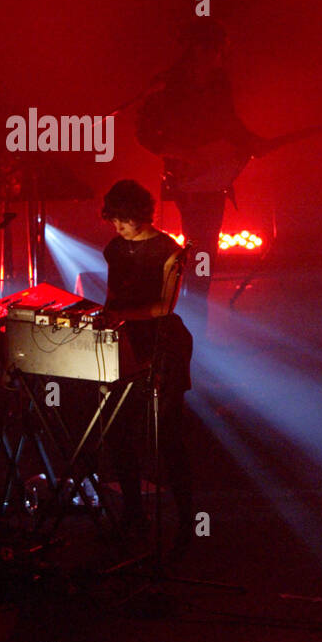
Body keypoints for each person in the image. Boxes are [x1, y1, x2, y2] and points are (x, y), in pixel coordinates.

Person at [135, 19, 271, 338]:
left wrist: (252, 140)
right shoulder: (167, 84)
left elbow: (230, 123)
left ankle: (196, 314)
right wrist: (181, 153)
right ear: (197, 49)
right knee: (198, 244)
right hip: (185, 176)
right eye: (213, 50)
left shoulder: (218, 82)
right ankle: (186, 313)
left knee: (206, 246)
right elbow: (145, 133)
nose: (218, 57)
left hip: (213, 176)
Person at [100, 179, 195, 553]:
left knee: (167, 434)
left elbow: (163, 307)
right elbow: (112, 294)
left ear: (141, 215)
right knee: (116, 427)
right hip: (124, 339)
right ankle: (133, 512)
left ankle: (187, 519)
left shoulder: (168, 251)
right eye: (114, 220)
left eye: (125, 220)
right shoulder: (114, 248)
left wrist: (119, 315)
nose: (118, 227)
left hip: (162, 341)